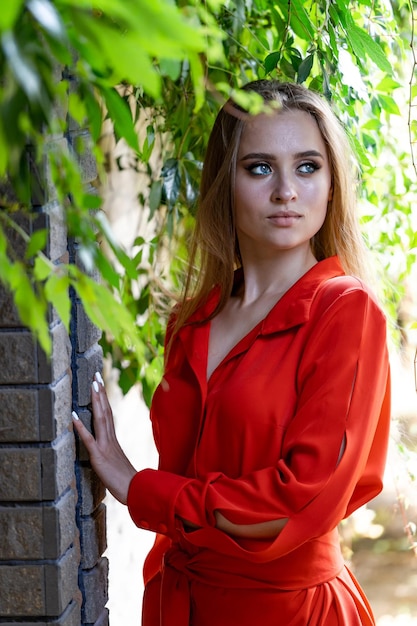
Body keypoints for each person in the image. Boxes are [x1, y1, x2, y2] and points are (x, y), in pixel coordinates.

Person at [73, 80, 391, 626]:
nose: (287, 190)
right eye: (260, 167)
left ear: (334, 184)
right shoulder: (192, 321)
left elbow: (300, 498)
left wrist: (139, 487)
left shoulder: (345, 313)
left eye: (308, 167)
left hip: (288, 611)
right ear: (225, 181)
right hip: (183, 601)